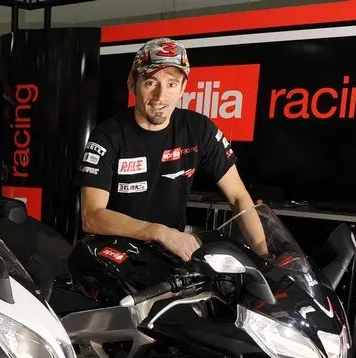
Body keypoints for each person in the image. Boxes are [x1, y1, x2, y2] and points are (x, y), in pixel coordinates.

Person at [76, 38, 263, 261]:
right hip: (114, 255)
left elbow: (239, 197)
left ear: (183, 88)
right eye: (150, 83)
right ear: (132, 84)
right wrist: (159, 232)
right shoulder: (107, 136)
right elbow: (92, 217)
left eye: (171, 84)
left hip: (170, 255)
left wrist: (265, 255)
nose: (160, 97)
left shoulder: (199, 128)